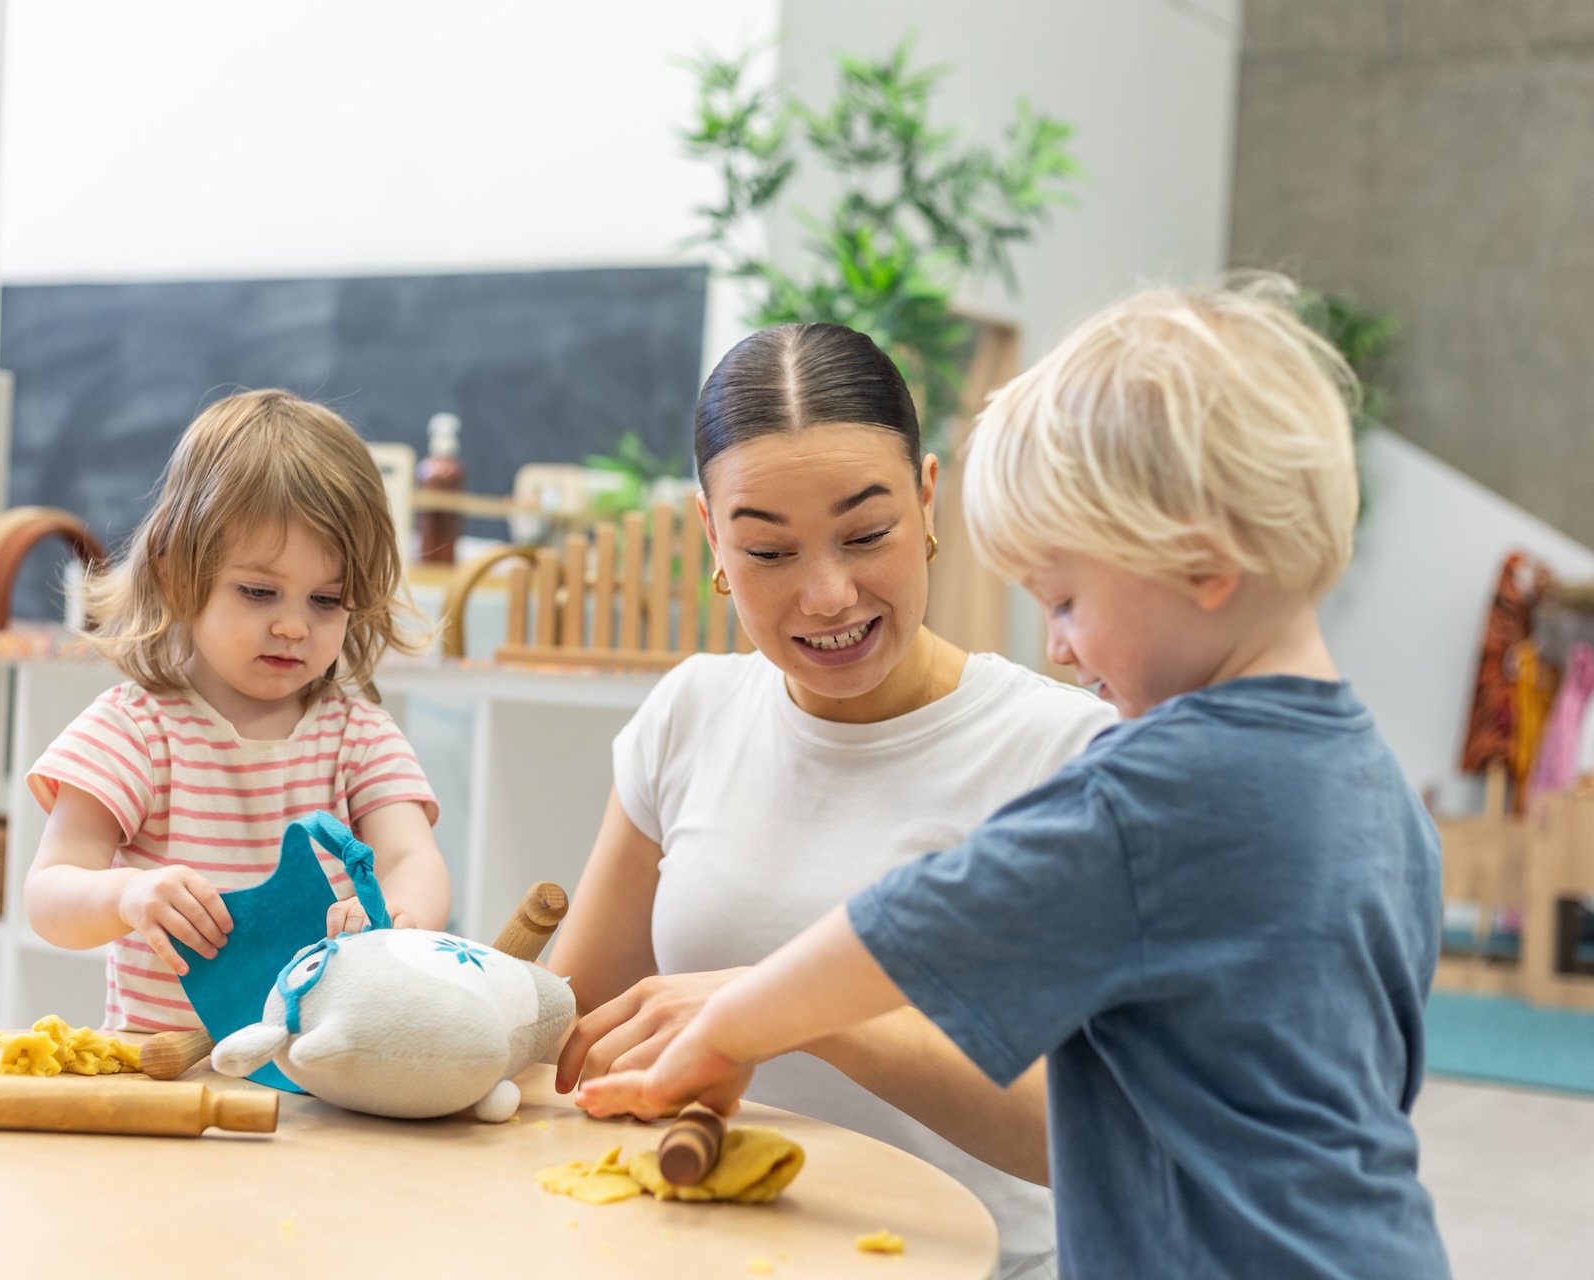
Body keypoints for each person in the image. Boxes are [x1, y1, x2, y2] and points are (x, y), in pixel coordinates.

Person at [577, 281, 1452, 1279]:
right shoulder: (1381, 792)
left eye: (1068, 598)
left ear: (1207, 563)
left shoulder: (1139, 785)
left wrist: (732, 1024)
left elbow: (902, 928)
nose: (1058, 645)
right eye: (769, 548)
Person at [549, 323, 1117, 1279]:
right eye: (768, 551)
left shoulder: (1065, 756)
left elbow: (1097, 1134)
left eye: (866, 535)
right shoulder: (690, 714)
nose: (826, 594)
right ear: (713, 539)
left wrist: (793, 1009)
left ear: (929, 500)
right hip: (696, 1254)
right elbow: (578, 1034)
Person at [24, 389, 451, 1033]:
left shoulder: (356, 734)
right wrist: (127, 894)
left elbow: (410, 858)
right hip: (163, 1084)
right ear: (178, 578)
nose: (292, 626)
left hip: (320, 1082)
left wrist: (399, 919)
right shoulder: (137, 730)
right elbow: (49, 892)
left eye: (327, 600)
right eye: (258, 592)